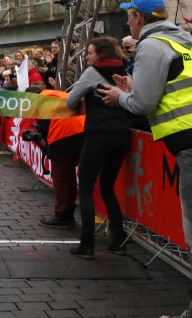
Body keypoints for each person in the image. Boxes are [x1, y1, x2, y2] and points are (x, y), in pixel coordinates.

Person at [100, 0, 192, 318]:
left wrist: (121, 96)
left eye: (129, 15)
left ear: (140, 18)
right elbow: (165, 93)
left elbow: (143, 105)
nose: (127, 20)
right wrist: (134, 90)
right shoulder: (184, 45)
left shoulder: (150, 46)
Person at [66, 36, 130, 259]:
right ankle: (119, 241)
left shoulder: (92, 73)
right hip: (122, 134)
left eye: (90, 52)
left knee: (85, 187)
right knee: (107, 187)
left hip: (97, 135)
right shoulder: (126, 72)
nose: (86, 56)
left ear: (100, 54)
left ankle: (87, 244)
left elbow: (70, 101)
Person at [36, 88, 85, 229]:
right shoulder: (56, 94)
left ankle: (62, 214)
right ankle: (68, 211)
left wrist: (45, 143)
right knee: (69, 175)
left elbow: (44, 125)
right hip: (82, 130)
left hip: (63, 134)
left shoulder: (40, 101)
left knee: (60, 176)